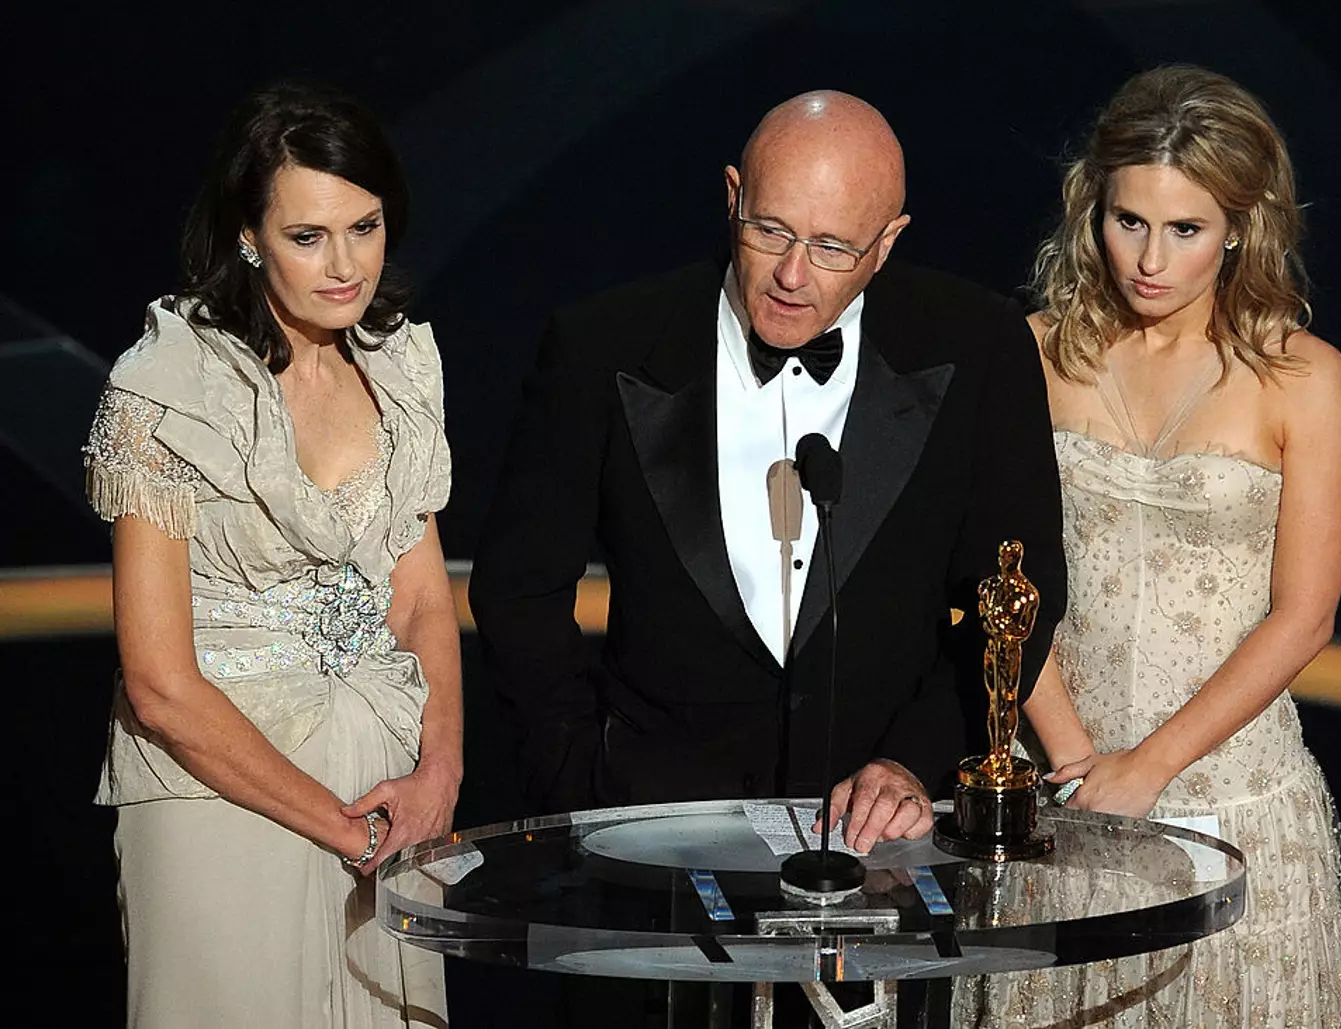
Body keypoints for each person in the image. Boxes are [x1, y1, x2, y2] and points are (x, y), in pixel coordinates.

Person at [471, 90, 1071, 858]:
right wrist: (582, 778)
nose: (792, 273)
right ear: (732, 198)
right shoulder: (604, 345)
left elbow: (1019, 591)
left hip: (881, 847)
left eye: (832, 247)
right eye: (771, 230)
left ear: (887, 243)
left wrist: (912, 762)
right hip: (648, 841)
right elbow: (519, 587)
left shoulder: (978, 347)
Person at [958, 65, 1341, 1027]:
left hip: (1238, 796)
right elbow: (992, 575)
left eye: (1186, 230)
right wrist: (1078, 757)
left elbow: (1305, 617)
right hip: (1059, 786)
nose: (1150, 258)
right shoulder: (1033, 355)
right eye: (1128, 220)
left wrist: (1151, 766)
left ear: (1240, 225)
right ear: (1092, 205)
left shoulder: (1304, 377)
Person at [83, 82, 458, 1027]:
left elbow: (420, 599)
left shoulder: (402, 364)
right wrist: (336, 823)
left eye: (365, 228)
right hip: (221, 795)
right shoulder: (163, 389)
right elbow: (159, 681)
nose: (346, 267)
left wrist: (440, 772)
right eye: (308, 236)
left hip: (388, 792)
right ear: (247, 235)